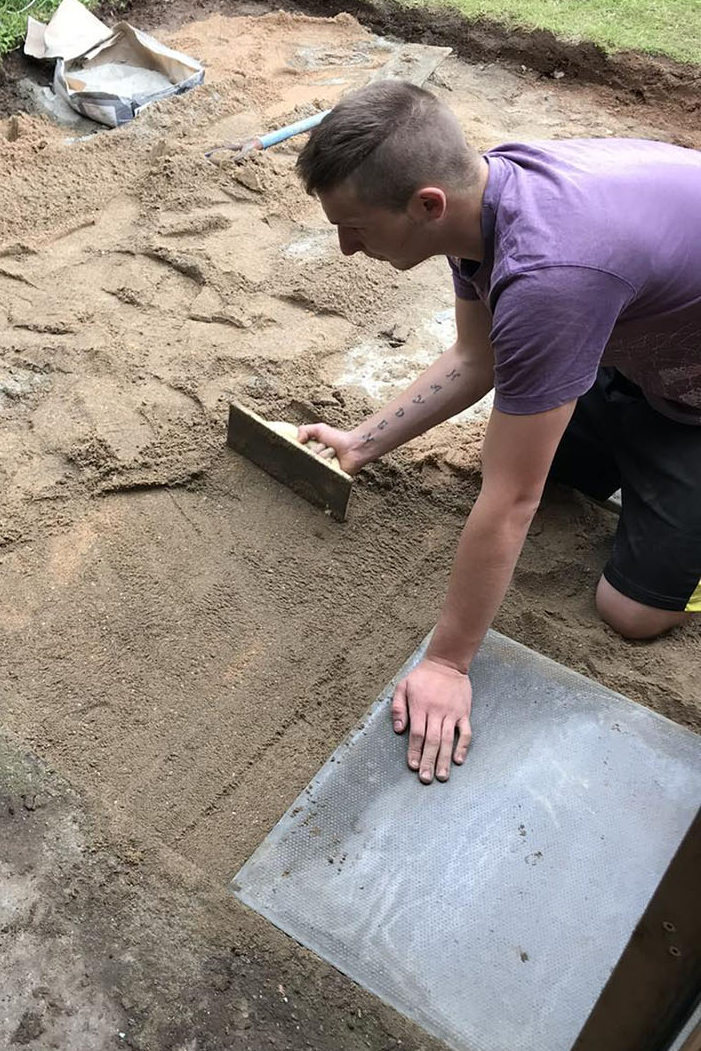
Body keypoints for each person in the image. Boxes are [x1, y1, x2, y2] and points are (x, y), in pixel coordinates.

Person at [295, 81, 701, 786]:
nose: (345, 248)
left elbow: (512, 498)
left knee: (630, 610)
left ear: (426, 206)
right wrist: (361, 442)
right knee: (543, 463)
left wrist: (448, 661)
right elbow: (475, 358)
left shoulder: (551, 276)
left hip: (688, 397)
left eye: (355, 227)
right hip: (644, 357)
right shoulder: (483, 197)